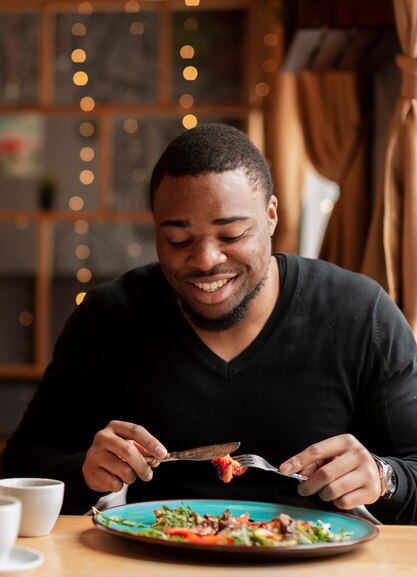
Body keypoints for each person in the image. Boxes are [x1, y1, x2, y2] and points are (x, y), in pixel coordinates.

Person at [2, 123, 417, 524]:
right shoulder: (108, 318)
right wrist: (84, 473)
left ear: (271, 216)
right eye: (179, 240)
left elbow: (410, 470)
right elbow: (20, 465)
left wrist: (385, 479)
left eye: (232, 234)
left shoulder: (361, 315)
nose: (205, 260)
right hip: (153, 573)